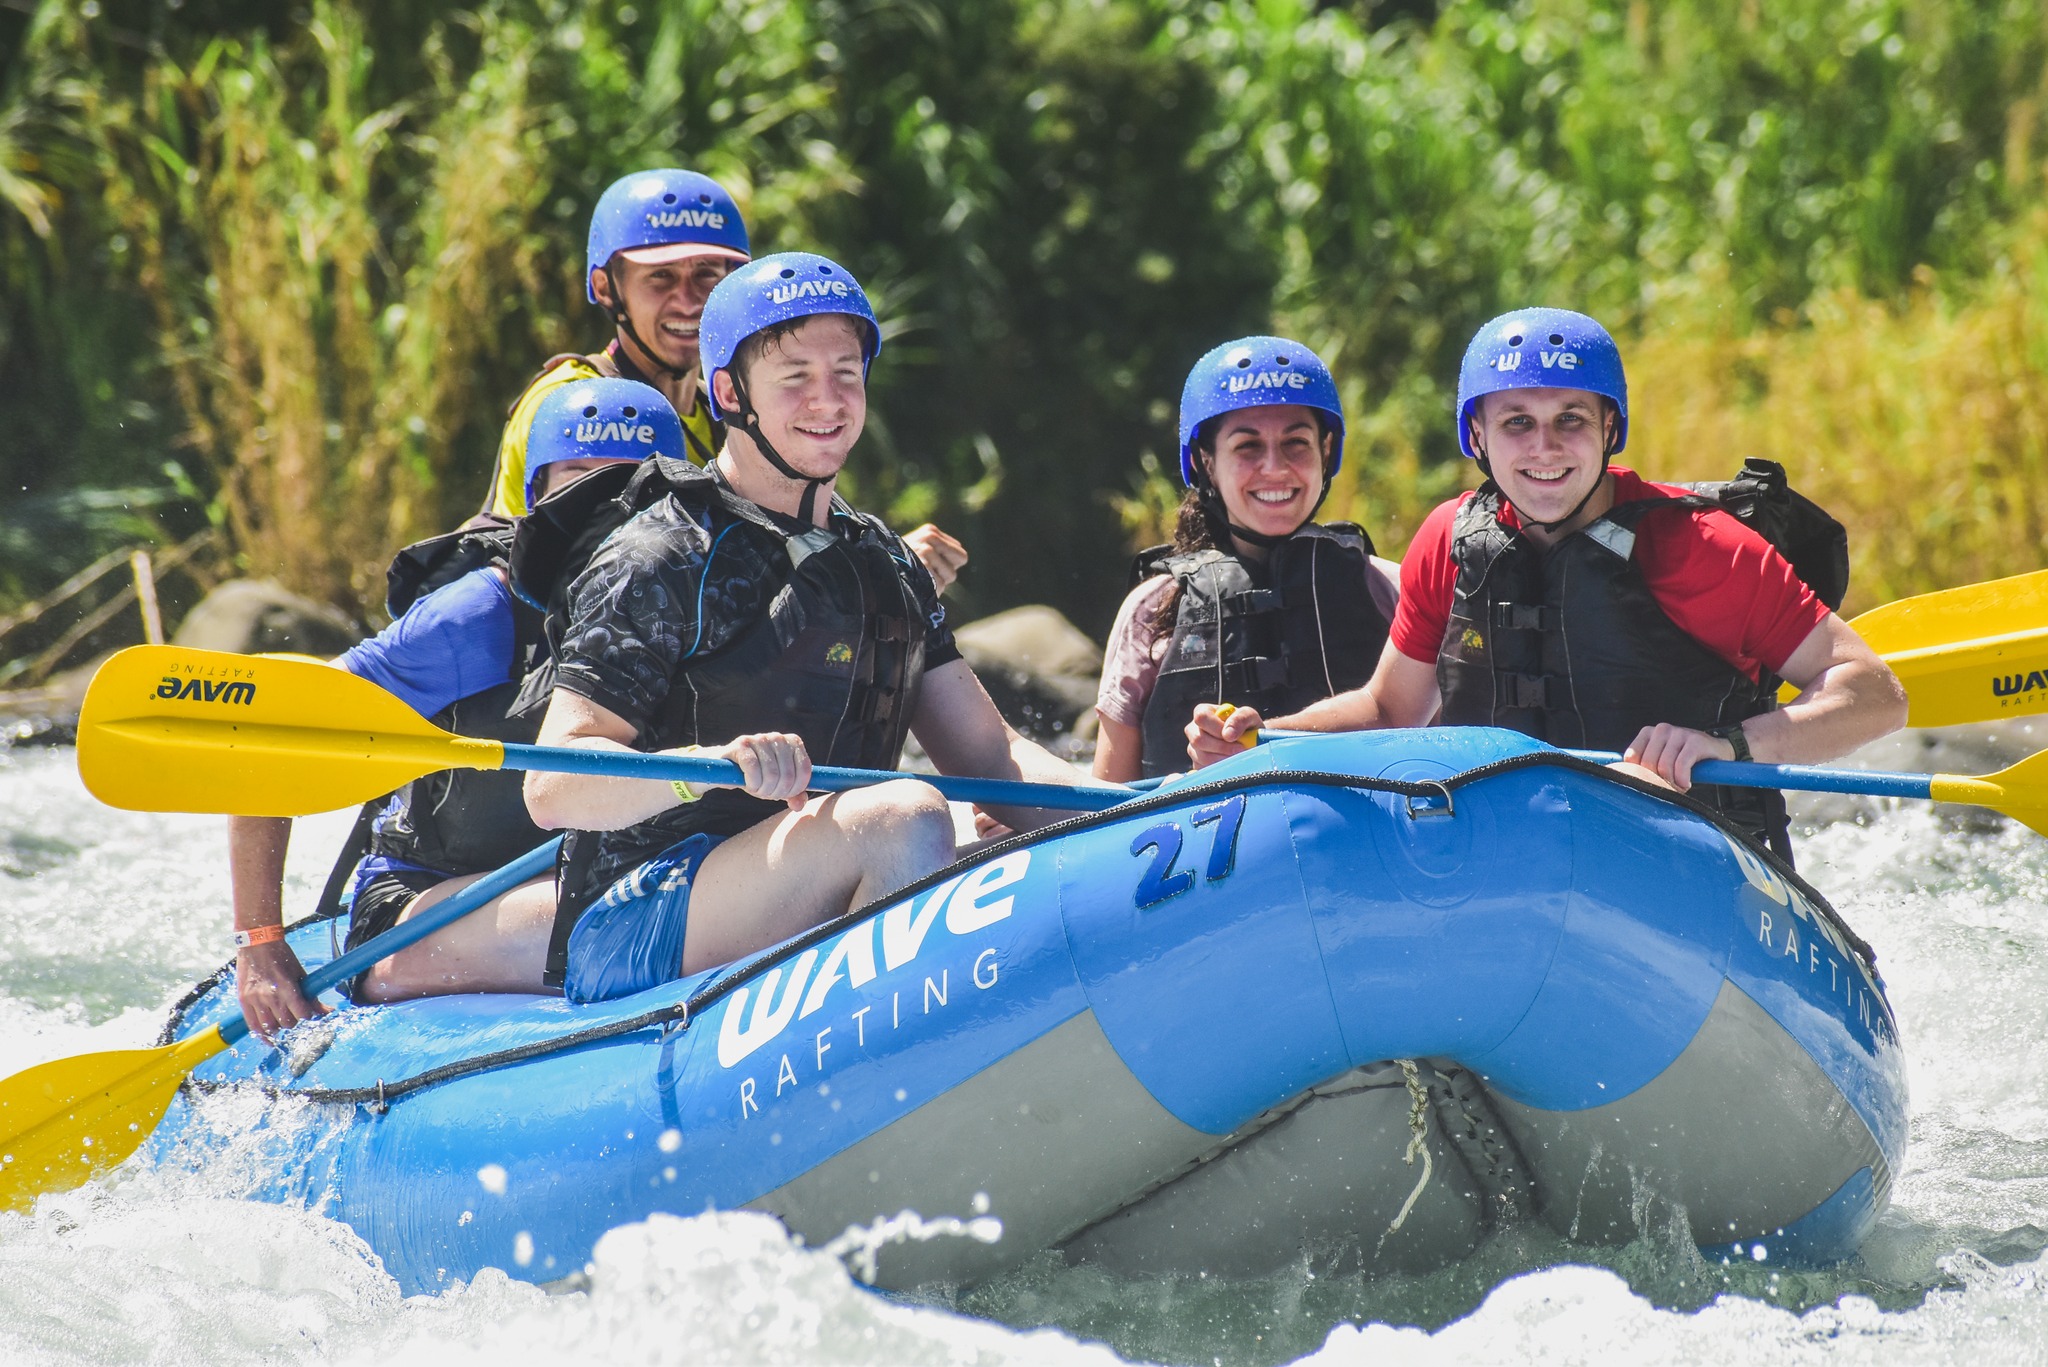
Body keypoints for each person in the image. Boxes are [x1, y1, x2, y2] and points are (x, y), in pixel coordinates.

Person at [501, 251, 1098, 1005]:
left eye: (846, 373)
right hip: (641, 916)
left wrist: (1132, 810)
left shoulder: (881, 560)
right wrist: (707, 763)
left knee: (996, 840)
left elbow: (991, 753)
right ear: (728, 392)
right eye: (796, 378)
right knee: (905, 815)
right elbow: (554, 784)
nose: (829, 399)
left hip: (797, 877)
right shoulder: (659, 554)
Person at [1188, 307, 1907, 857]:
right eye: (1516, 424)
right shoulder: (1449, 538)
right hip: (1507, 862)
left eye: (1571, 420)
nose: (1545, 449)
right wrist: (1264, 737)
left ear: (1609, 429)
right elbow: (1388, 710)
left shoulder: (1703, 548)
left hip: (1687, 859)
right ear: (1477, 436)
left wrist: (1730, 745)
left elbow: (1873, 693)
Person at [228, 379, 685, 1039]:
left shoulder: (699, 600)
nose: (604, 509)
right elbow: (275, 738)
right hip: (421, 912)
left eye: (632, 489)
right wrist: (260, 940)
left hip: (589, 876)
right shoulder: (479, 618)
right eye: (578, 480)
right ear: (536, 500)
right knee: (656, 915)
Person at [481, 167, 968, 592]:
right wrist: (876, 575)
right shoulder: (574, 401)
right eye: (661, 277)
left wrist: (882, 566)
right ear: (608, 287)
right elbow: (599, 581)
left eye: (708, 275)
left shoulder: (727, 406)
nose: (689, 300)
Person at [1093, 336, 1400, 781]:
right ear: (1206, 462)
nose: (1274, 468)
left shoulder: (1393, 589)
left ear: (1326, 451)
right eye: (1247, 446)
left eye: (1296, 442)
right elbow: (1107, 798)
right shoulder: (1150, 611)